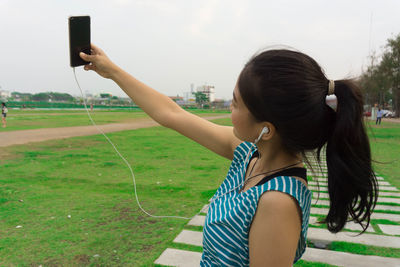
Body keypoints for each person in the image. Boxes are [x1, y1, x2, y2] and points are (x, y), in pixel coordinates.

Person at [80, 45, 378, 266]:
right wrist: (112, 71)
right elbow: (170, 113)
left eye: (235, 104)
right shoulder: (249, 155)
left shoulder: (277, 202)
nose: (229, 111)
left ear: (267, 129)